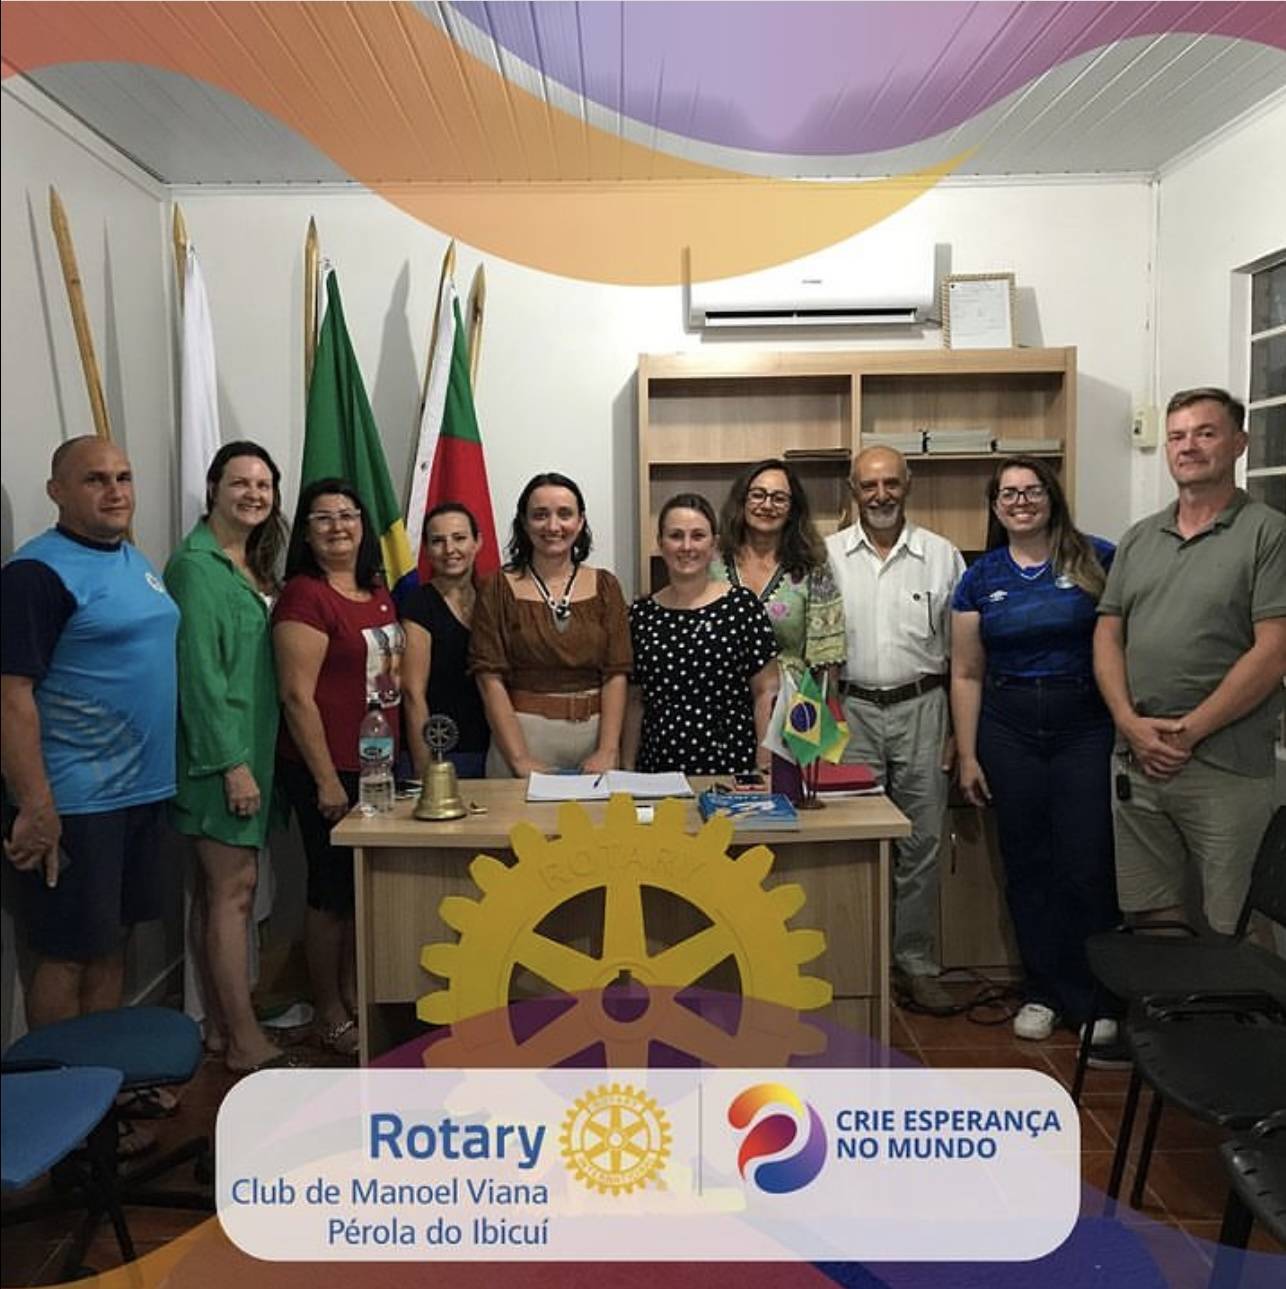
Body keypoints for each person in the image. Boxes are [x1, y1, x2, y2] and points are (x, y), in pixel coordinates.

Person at [1, 437, 179, 1030]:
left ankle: (104, 1076)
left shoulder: (133, 559)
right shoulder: (34, 574)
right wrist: (36, 805)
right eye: (95, 479)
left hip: (141, 793)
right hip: (75, 801)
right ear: (57, 491)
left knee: (113, 941)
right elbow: (10, 697)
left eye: (123, 477)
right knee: (66, 955)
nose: (115, 491)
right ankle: (59, 1083)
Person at [1094, 387, 1286, 935]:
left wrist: (1187, 733)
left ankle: (1240, 1002)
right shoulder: (1140, 538)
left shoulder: (1267, 533)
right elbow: (1108, 635)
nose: (1188, 446)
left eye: (1205, 433)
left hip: (1224, 763)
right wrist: (1128, 723)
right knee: (1150, 913)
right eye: (1177, 436)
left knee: (1238, 920)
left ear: (1239, 443)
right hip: (1138, 758)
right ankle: (1165, 1001)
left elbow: (1273, 651)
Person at [951, 457, 1120, 1048]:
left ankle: (1095, 999)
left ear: (1052, 497)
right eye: (1008, 494)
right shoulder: (979, 577)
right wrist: (968, 755)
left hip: (1084, 726)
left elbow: (1121, 645)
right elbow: (966, 672)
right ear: (995, 507)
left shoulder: (1098, 558)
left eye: (1031, 491)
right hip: (1008, 728)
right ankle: (1043, 992)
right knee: (1027, 864)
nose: (1020, 502)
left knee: (1087, 863)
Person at [164, 441, 293, 1074]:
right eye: (241, 482)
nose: (253, 494)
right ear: (213, 487)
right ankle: (244, 1040)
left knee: (220, 892)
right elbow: (200, 676)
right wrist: (231, 765)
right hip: (220, 760)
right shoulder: (196, 567)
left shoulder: (250, 565)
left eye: (264, 485)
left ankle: (219, 1028)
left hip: (251, 752)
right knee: (232, 894)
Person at [826, 446, 964, 1014]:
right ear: (852, 491)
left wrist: (958, 731)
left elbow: (963, 656)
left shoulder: (942, 556)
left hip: (924, 709)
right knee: (856, 844)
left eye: (890, 483)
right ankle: (861, 964)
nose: (879, 495)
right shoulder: (827, 555)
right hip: (850, 711)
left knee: (921, 844)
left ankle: (915, 965)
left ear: (908, 484)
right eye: (868, 485)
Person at [273, 478, 405, 1057]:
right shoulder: (305, 597)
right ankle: (327, 1011)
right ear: (306, 533)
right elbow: (295, 696)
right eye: (322, 518)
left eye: (347, 515)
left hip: (376, 767)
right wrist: (326, 779)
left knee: (358, 890)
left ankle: (354, 995)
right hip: (327, 768)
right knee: (329, 892)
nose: (337, 527)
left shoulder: (376, 590)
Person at [470, 472, 631, 776]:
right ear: (524, 522)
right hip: (523, 738)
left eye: (565, 514)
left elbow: (616, 672)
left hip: (596, 739)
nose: (553, 526)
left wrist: (608, 750)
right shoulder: (496, 588)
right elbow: (488, 678)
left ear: (580, 522)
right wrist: (519, 758)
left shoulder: (606, 586)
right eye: (540, 515)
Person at [624, 494, 779, 774]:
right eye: (676, 536)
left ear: (714, 544)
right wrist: (626, 766)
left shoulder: (742, 607)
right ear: (660, 543)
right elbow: (635, 700)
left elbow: (766, 691)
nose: (686, 546)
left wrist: (765, 763)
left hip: (731, 768)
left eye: (697, 536)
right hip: (657, 770)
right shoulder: (641, 615)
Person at [714, 458, 845, 681]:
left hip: (791, 697)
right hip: (720, 694)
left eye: (779, 498)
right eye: (758, 495)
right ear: (741, 501)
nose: (767, 505)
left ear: (793, 509)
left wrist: (826, 699)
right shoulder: (712, 562)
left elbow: (828, 654)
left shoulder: (812, 566)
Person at [402, 503, 490, 779]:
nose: (449, 549)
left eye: (459, 538)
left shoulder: (493, 598)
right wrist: (423, 768)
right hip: (441, 751)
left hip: (494, 750)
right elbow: (412, 693)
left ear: (478, 542)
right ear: (427, 550)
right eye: (438, 541)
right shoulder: (418, 604)